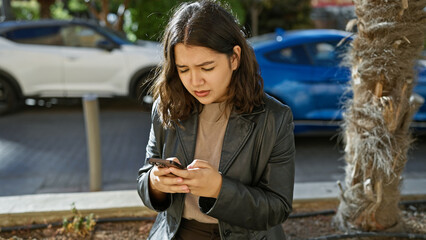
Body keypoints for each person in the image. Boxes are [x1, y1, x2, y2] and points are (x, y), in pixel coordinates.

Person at [137, 1, 295, 239]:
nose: (194, 81)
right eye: (183, 69)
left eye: (207, 68)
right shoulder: (166, 107)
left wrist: (220, 189)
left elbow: (277, 208)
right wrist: (154, 183)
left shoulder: (275, 118)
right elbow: (144, 179)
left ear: (234, 58)